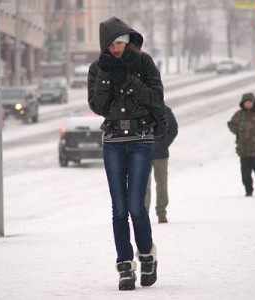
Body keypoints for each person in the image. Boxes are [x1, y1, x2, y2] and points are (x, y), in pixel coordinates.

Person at [87, 16, 167, 291]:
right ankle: (124, 266)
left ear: (129, 41)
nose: (118, 48)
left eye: (121, 42)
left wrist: (128, 80)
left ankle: (147, 256)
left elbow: (156, 98)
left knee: (136, 206)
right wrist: (108, 78)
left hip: (141, 138)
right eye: (113, 44)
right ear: (105, 46)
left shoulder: (143, 62)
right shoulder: (97, 68)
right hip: (113, 141)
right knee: (119, 209)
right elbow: (98, 106)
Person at [227, 93, 255, 196]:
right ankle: (248, 190)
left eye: (250, 102)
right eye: (246, 102)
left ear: (254, 102)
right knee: (245, 173)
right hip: (244, 150)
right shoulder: (239, 115)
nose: (248, 104)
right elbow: (231, 124)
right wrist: (239, 131)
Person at [145, 105, 178, 223]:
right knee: (144, 185)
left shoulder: (165, 110)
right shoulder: (141, 108)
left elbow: (173, 129)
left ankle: (161, 212)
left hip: (161, 153)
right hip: (143, 152)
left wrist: (163, 144)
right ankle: (144, 213)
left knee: (162, 184)